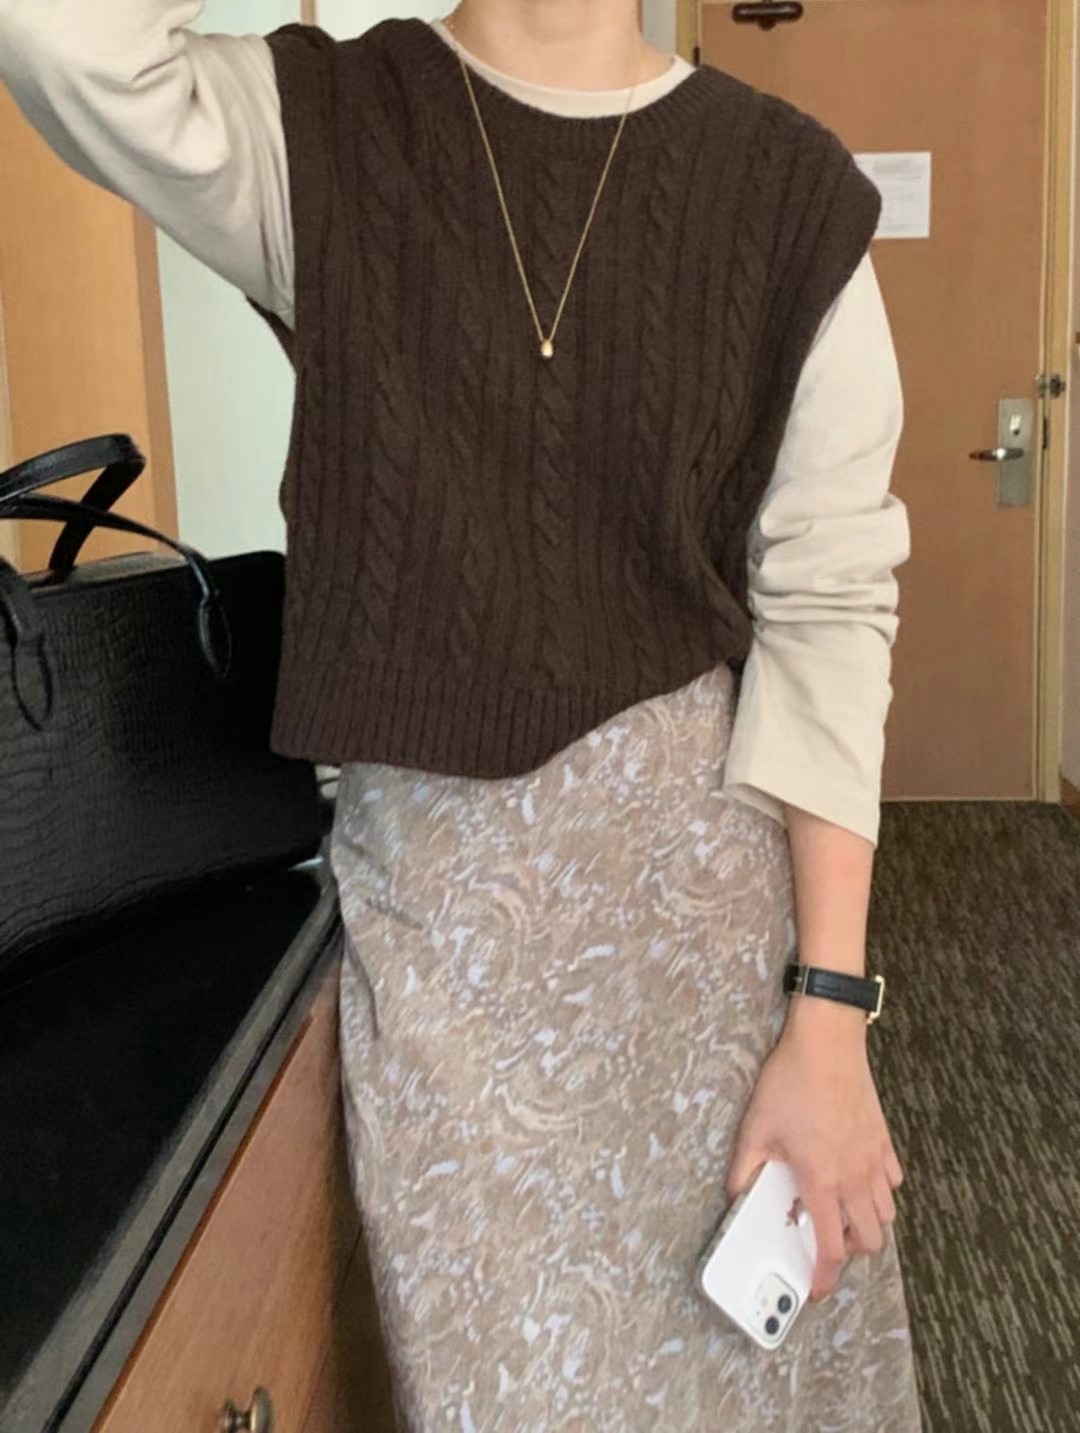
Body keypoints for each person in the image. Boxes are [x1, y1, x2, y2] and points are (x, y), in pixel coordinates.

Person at [0, 2, 922, 1427]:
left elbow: (830, 612)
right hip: (450, 961)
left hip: (711, 956)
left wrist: (832, 1014)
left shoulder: (789, 191)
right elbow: (60, 39)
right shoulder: (318, 135)